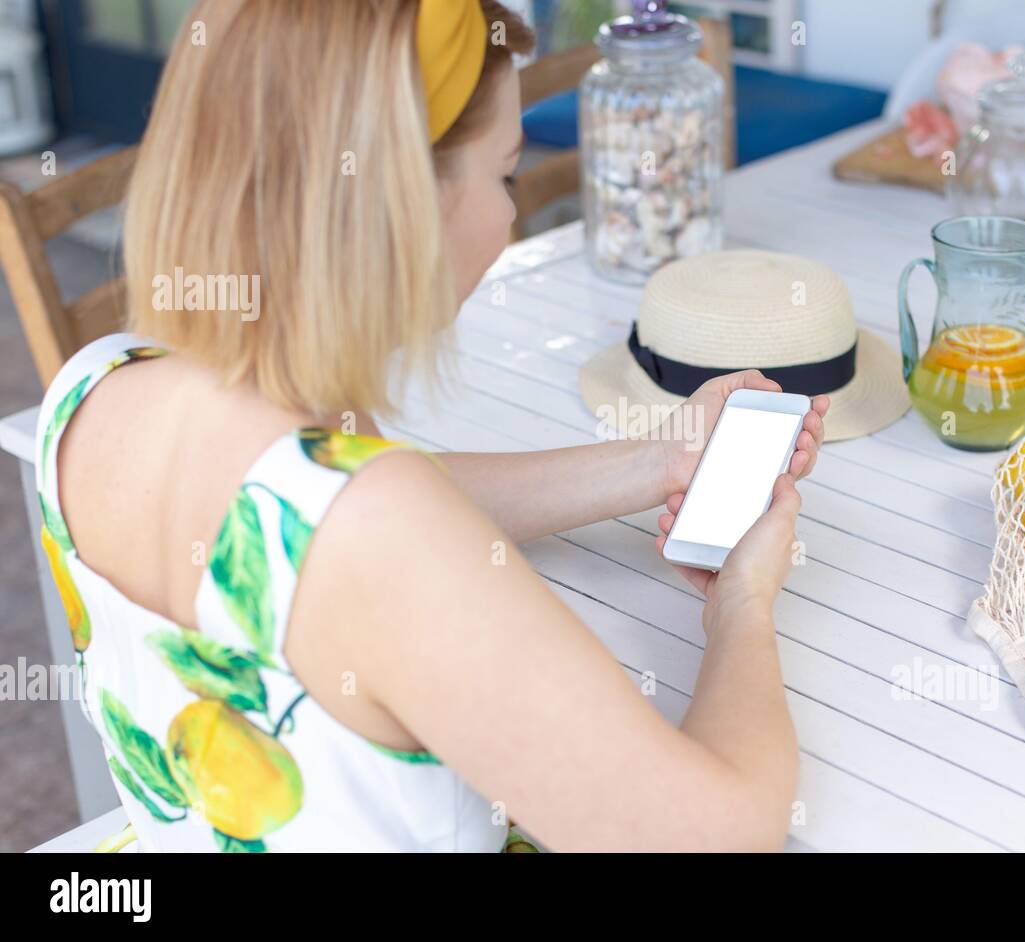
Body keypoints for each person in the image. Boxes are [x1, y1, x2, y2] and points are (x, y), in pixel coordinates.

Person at [35, 0, 827, 852]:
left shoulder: (95, 387)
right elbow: (721, 834)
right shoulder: (379, 529)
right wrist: (742, 603)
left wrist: (656, 462)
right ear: (403, 203)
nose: (511, 215)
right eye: (507, 175)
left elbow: (321, 503)